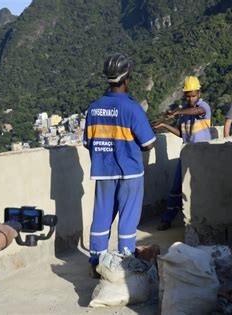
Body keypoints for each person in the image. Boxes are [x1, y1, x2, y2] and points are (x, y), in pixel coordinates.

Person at [83, 53, 156, 275]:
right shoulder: (132, 109)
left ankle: (97, 263)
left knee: (101, 217)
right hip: (130, 173)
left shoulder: (94, 109)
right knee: (128, 220)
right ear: (127, 79)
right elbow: (148, 143)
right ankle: (125, 264)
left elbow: (88, 143)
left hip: (103, 172)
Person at [153, 76, 212, 230]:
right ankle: (167, 219)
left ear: (199, 93)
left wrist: (178, 111)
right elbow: (181, 133)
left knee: (200, 187)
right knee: (176, 188)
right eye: (188, 96)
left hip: (201, 154)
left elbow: (198, 111)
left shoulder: (203, 106)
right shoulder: (185, 112)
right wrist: (165, 124)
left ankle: (202, 219)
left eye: (194, 95)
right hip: (186, 153)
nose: (191, 98)